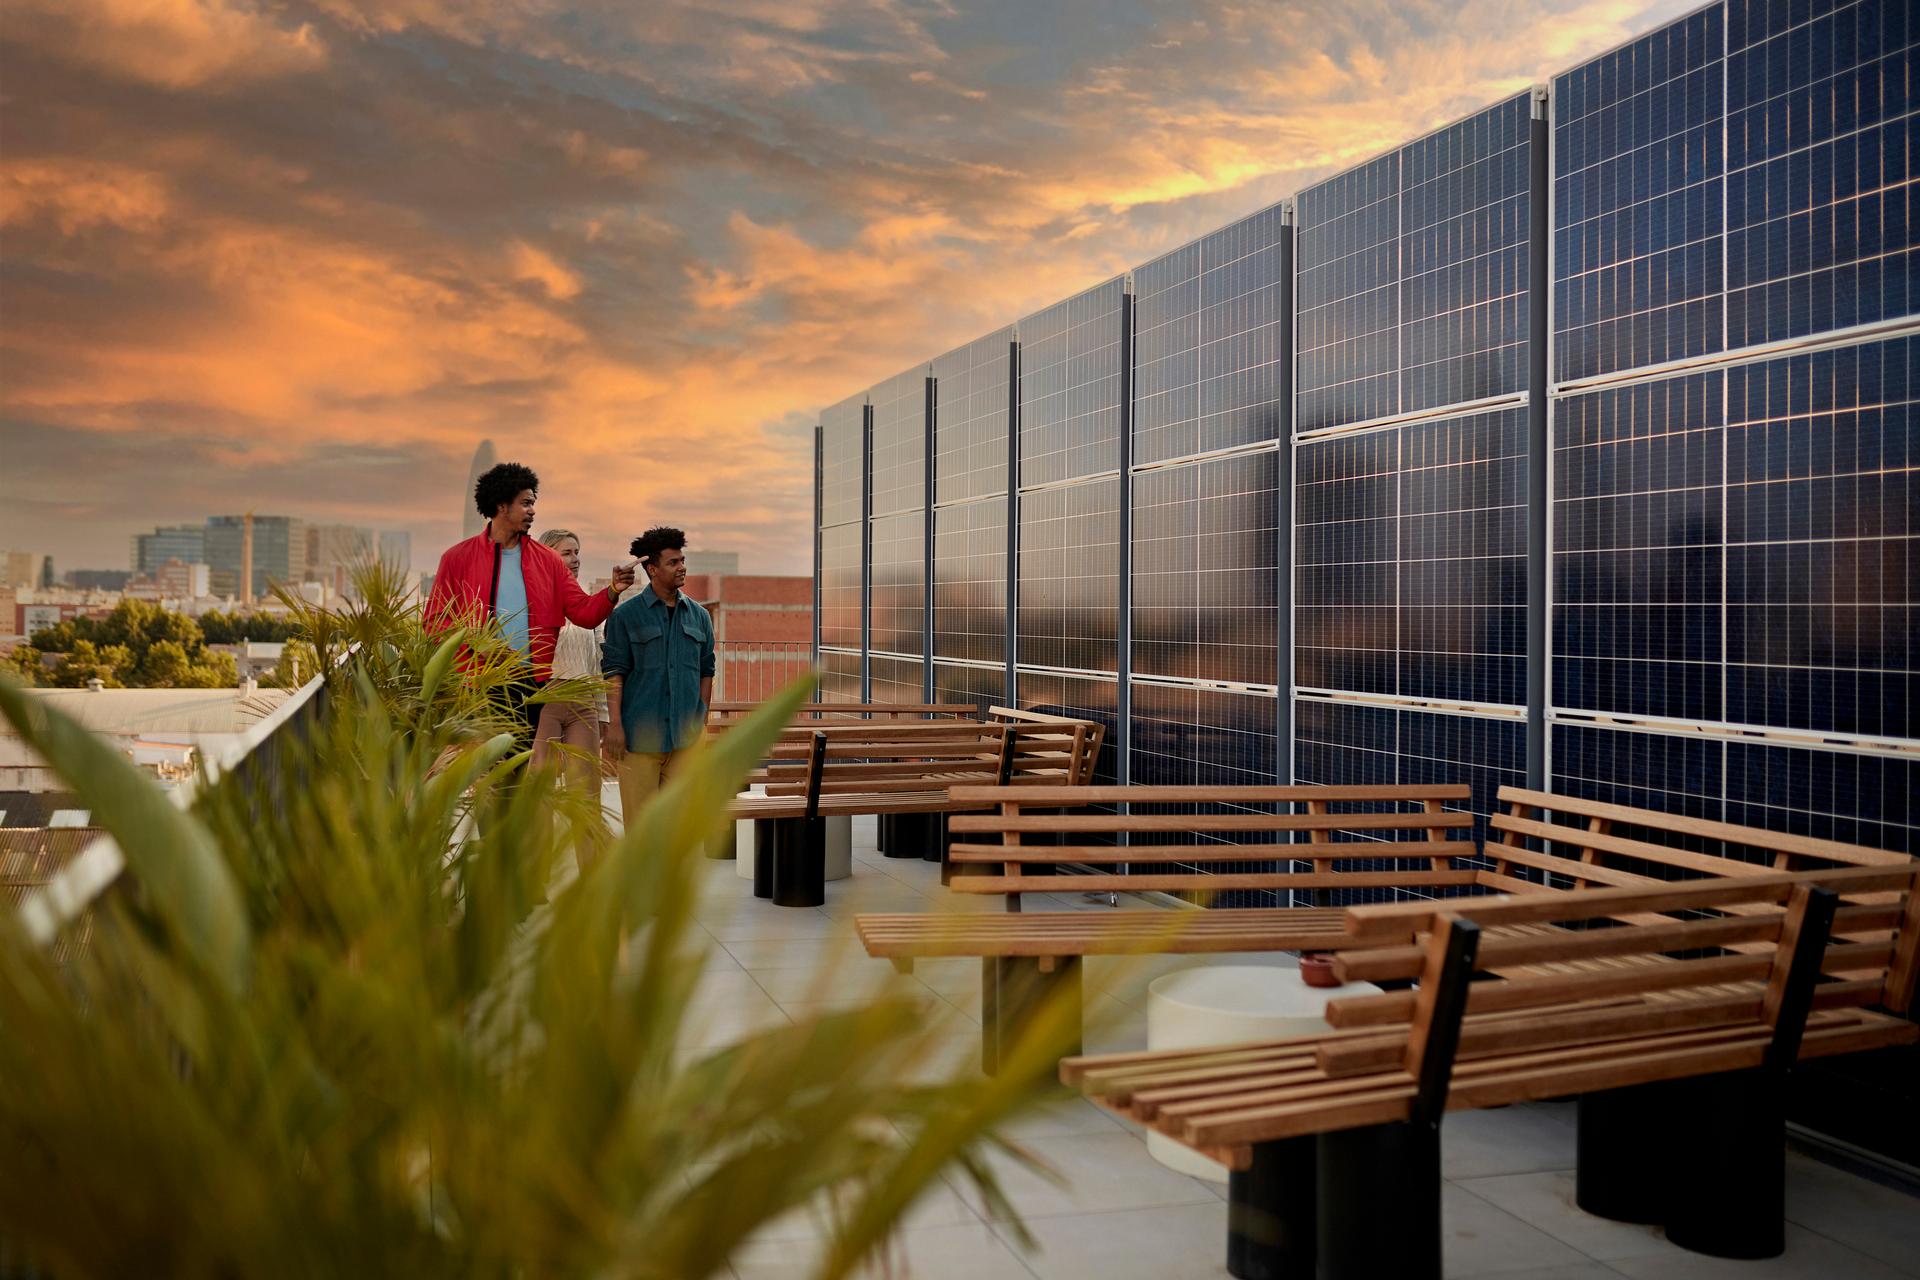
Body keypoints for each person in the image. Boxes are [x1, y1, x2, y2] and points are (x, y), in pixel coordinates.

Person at [424, 462, 635, 741]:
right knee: (486, 773)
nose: (533, 511)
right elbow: (435, 623)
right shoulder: (457, 558)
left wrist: (612, 590)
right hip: (476, 683)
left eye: (533, 503)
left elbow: (584, 613)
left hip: (529, 685)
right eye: (525, 503)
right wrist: (478, 643)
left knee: (518, 772)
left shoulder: (548, 560)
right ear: (501, 505)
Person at [601, 526, 715, 826]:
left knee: (676, 831)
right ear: (652, 568)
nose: (682, 567)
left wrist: (700, 717)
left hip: (684, 742)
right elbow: (614, 672)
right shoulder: (625, 616)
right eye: (672, 562)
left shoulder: (700, 617)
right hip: (640, 740)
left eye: (682, 560)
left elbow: (707, 670)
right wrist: (615, 725)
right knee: (640, 830)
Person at [531, 527, 618, 864]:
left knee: (587, 791)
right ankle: (536, 876)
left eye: (577, 552)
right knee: (540, 791)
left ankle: (592, 873)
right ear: (547, 556)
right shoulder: (533, 600)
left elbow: (595, 665)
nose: (575, 559)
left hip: (583, 701)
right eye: (567, 553)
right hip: (546, 702)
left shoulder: (586, 604)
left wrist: (604, 715)